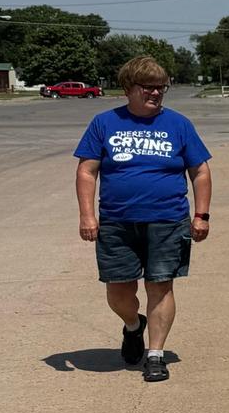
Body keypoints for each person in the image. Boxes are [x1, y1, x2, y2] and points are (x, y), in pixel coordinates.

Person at [73, 56, 212, 382]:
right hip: (117, 222)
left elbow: (200, 171)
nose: (155, 93)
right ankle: (134, 325)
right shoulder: (104, 123)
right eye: (147, 87)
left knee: (160, 286)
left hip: (168, 220)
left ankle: (155, 355)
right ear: (128, 88)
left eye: (161, 87)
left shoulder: (179, 124)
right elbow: (87, 171)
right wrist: (87, 215)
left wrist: (201, 215)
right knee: (118, 292)